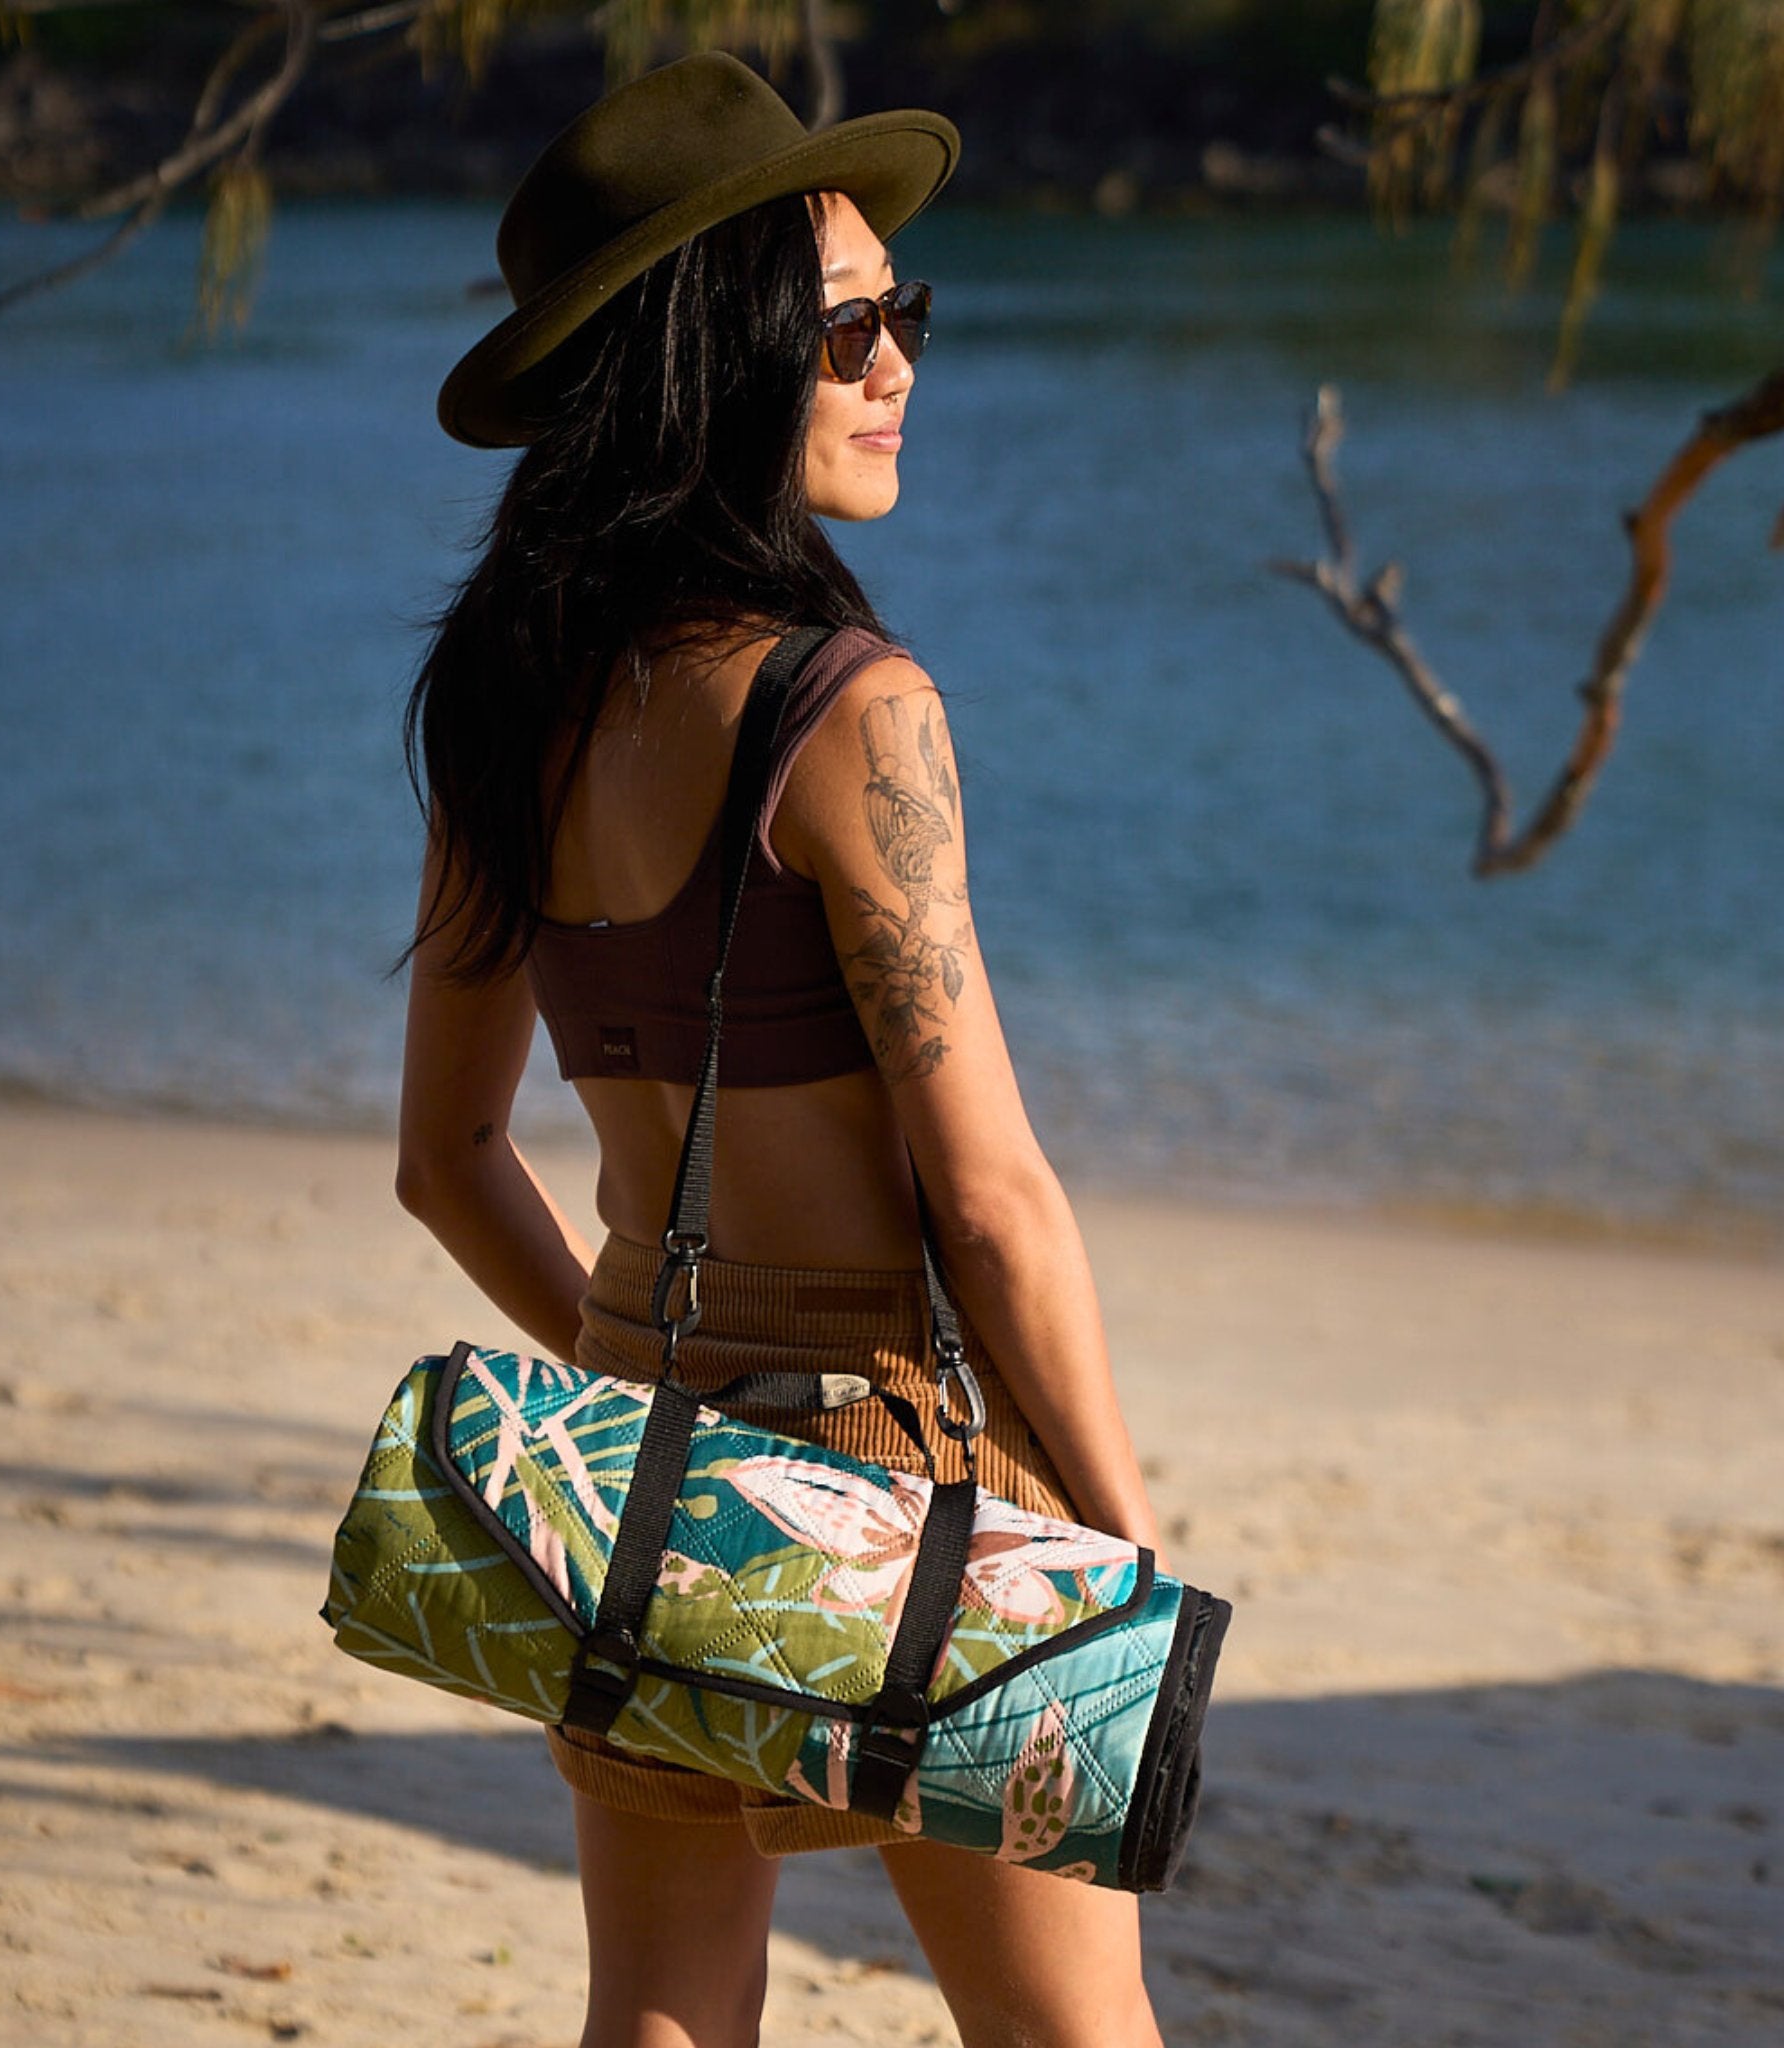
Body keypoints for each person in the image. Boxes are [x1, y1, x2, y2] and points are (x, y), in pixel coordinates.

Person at [394, 51, 1168, 2048]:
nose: (899, 359)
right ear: (713, 348)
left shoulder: (508, 702)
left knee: (662, 2011)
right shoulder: (852, 710)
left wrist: (638, 1371)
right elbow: (990, 1203)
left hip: (647, 1449)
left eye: (905, 312)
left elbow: (444, 1154)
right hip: (899, 1456)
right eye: (849, 324)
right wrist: (1122, 1536)